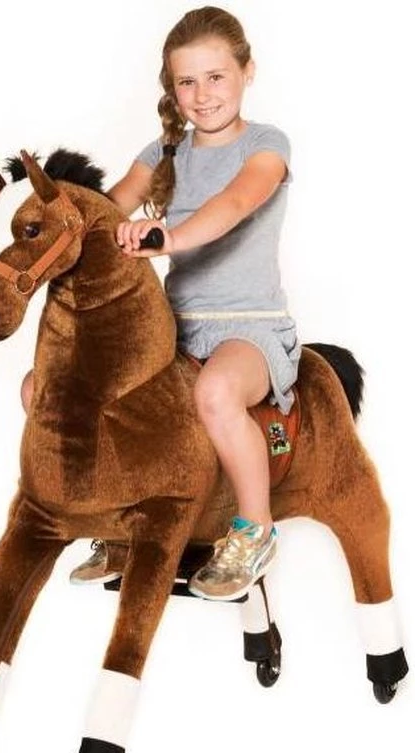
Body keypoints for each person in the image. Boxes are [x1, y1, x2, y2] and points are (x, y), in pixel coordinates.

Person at [24, 5, 301, 600]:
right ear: (172, 89)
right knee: (53, 389)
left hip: (248, 329)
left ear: (248, 71)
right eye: (187, 82)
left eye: (216, 77)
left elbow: (234, 203)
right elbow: (103, 212)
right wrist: (41, 220)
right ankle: (118, 522)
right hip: (169, 330)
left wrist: (168, 237)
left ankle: (254, 531)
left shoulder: (266, 145)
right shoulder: (161, 154)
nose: (202, 95)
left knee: (217, 392)